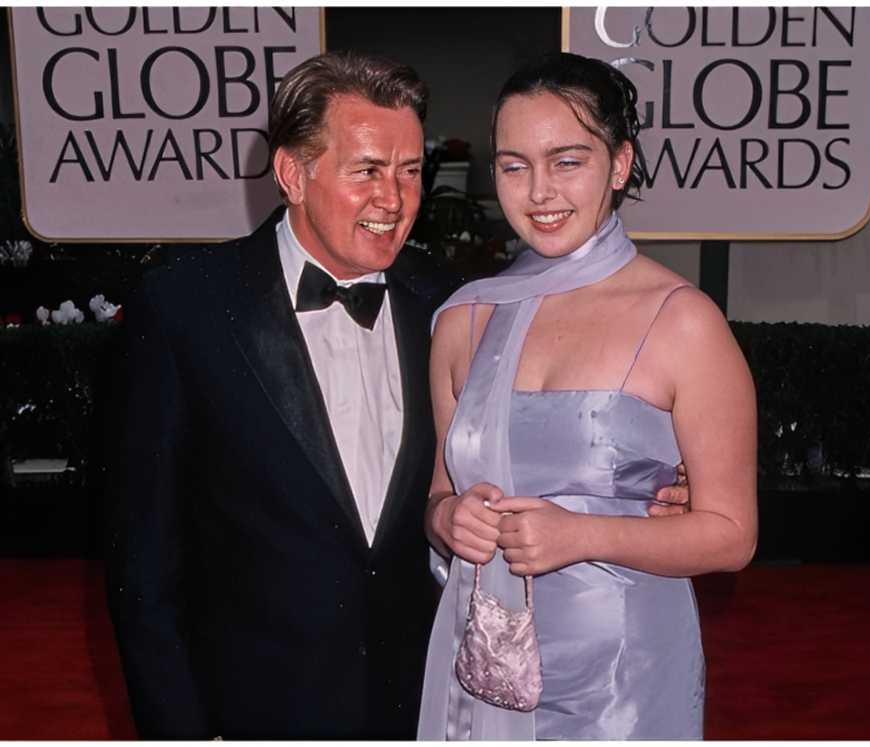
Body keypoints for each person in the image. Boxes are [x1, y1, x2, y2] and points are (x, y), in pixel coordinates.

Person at [106, 50, 690, 740]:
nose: (395, 200)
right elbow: (141, 568)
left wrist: (652, 483)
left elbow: (523, 448)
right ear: (293, 172)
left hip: (422, 703)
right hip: (251, 711)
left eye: (411, 171)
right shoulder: (185, 308)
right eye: (368, 171)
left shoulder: (453, 307)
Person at [418, 52, 757, 740]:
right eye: (514, 166)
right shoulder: (464, 319)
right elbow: (438, 495)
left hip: (624, 680)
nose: (539, 191)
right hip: (481, 667)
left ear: (620, 163)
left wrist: (583, 534)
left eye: (567, 160)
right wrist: (449, 519)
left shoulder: (683, 320)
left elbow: (732, 533)